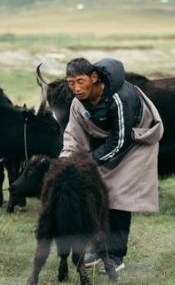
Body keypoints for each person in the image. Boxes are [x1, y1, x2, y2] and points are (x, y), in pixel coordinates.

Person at [59, 57, 164, 272]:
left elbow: (121, 140)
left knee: (118, 196)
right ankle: (100, 250)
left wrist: (88, 161)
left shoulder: (119, 97)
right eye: (71, 83)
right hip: (108, 144)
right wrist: (66, 161)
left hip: (137, 142)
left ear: (94, 78)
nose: (76, 88)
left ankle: (116, 255)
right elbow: (73, 134)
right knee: (100, 193)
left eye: (80, 81)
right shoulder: (78, 103)